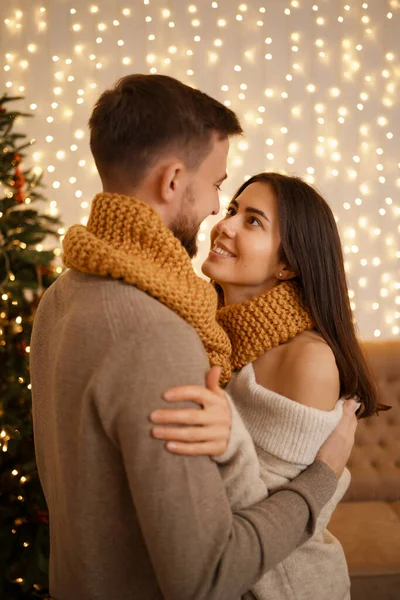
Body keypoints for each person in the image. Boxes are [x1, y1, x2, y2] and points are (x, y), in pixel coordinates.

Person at [30, 75, 358, 600]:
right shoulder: (164, 334)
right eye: (219, 189)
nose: (216, 212)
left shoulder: (62, 297)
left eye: (251, 219)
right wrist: (323, 474)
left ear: (289, 264)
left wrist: (234, 442)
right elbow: (209, 572)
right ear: (173, 180)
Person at [151, 172, 386, 599]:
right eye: (232, 210)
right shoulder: (211, 335)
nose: (226, 225)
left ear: (288, 265)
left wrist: (326, 473)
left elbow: (272, 518)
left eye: (253, 221)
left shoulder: (307, 358)